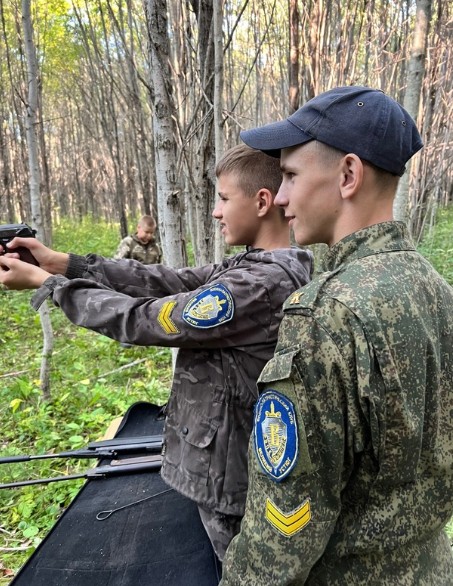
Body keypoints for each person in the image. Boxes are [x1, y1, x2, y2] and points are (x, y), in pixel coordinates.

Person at [0, 144, 313, 562]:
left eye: (223, 199)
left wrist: (50, 285)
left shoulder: (258, 285)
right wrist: (63, 263)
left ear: (260, 202)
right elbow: (165, 280)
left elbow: (144, 319)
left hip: (233, 483)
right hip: (226, 466)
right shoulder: (251, 268)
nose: (217, 212)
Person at [218, 86, 453, 584]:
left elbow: (281, 532)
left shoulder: (324, 318)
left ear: (348, 175)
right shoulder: (438, 293)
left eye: (290, 175)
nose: (280, 198)